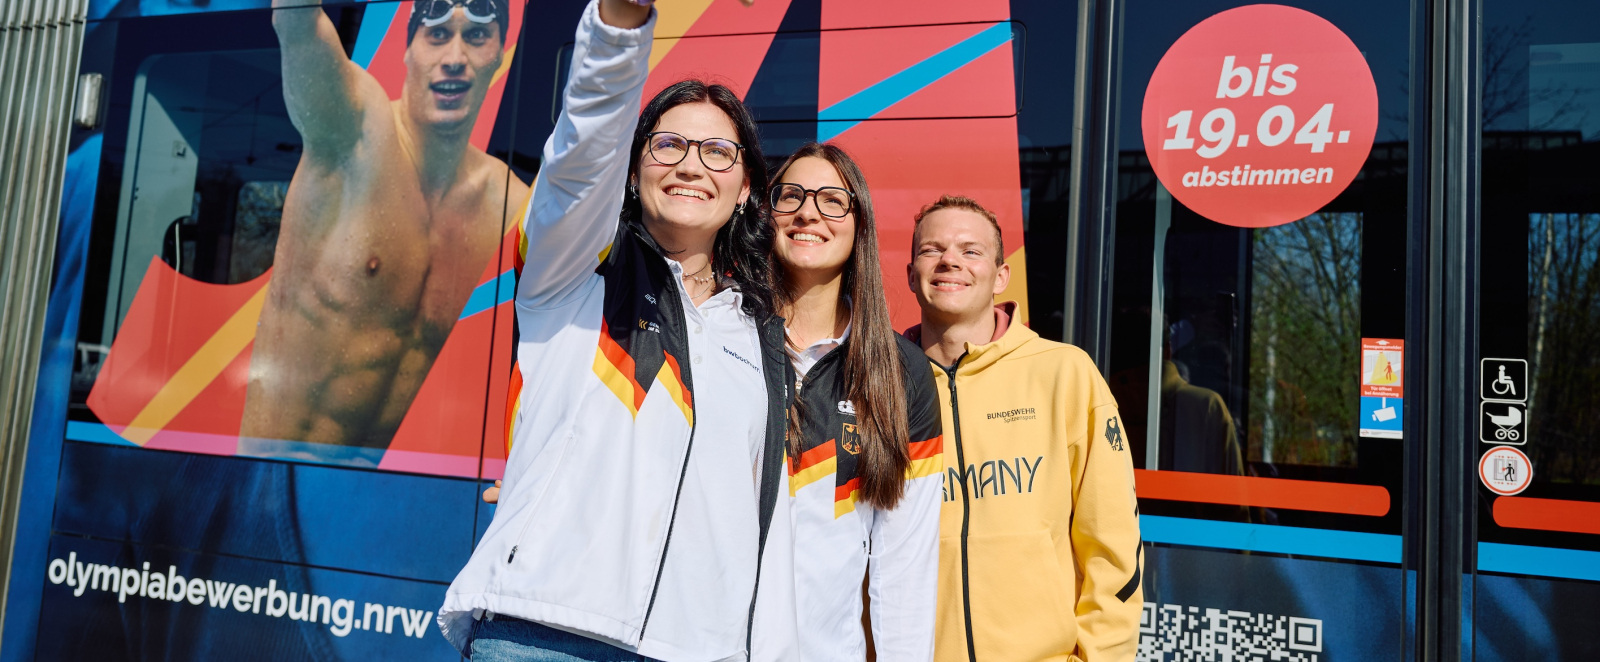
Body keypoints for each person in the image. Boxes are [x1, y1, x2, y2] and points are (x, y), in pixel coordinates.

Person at [439, 2, 799, 660]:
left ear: (747, 186)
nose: (691, 165)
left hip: (691, 649)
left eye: (719, 152)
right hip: (544, 633)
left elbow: (762, 528)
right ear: (633, 173)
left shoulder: (760, 337)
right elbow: (583, 149)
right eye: (668, 145)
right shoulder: (577, 271)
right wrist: (621, 24)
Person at [245, 0, 530, 463]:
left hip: (376, 495)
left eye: (476, 36)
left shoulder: (509, 206)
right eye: (436, 34)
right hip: (270, 477)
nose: (454, 56)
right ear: (409, 49)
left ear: (499, 53)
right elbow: (295, 20)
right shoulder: (354, 130)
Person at [902, 195, 1143, 662]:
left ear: (1001, 276)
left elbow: (1114, 547)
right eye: (932, 250)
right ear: (911, 274)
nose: (950, 260)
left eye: (971, 251)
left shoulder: (1065, 374)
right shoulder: (878, 383)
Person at [767, 143, 943, 661]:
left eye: (832, 200)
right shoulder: (721, 335)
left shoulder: (903, 371)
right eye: (791, 196)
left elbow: (904, 567)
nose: (808, 212)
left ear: (859, 224)